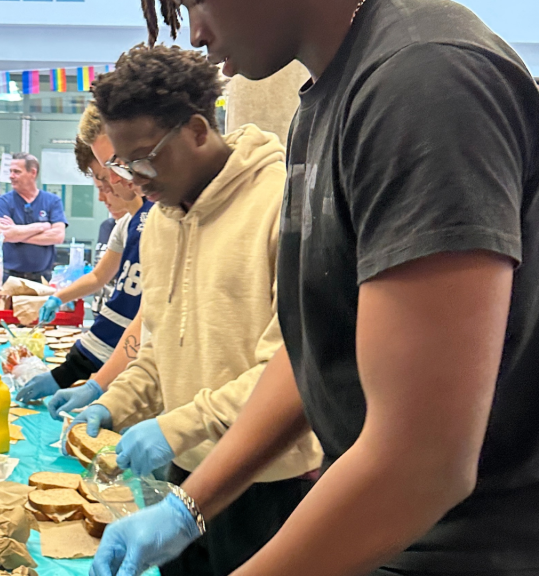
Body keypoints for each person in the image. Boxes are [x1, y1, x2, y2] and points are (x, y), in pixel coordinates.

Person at [90, 0, 539, 574]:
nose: (196, 32)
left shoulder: (422, 79)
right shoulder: (325, 101)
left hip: (465, 544)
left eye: (197, 1)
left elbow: (422, 464)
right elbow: (316, 349)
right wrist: (190, 506)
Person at [72, 45, 322, 576]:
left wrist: (179, 425)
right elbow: (158, 348)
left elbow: (293, 366)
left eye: (142, 159)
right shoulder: (162, 221)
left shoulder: (280, 203)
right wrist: (113, 402)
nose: (133, 179)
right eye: (121, 163)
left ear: (197, 130)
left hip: (267, 483)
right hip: (180, 475)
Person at [17, 106, 152, 406]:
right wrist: (57, 298)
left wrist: (79, 378)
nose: (110, 188)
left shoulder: (157, 219)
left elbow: (142, 315)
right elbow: (100, 278)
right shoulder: (133, 223)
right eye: (106, 177)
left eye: (113, 173)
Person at [0, 152, 68, 282]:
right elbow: (4, 234)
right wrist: (41, 227)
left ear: (32, 172)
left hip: (43, 279)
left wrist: (17, 233)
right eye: (10, 171)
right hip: (9, 279)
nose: (11, 176)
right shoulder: (3, 202)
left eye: (16, 172)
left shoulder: (53, 201)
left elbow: (58, 236)